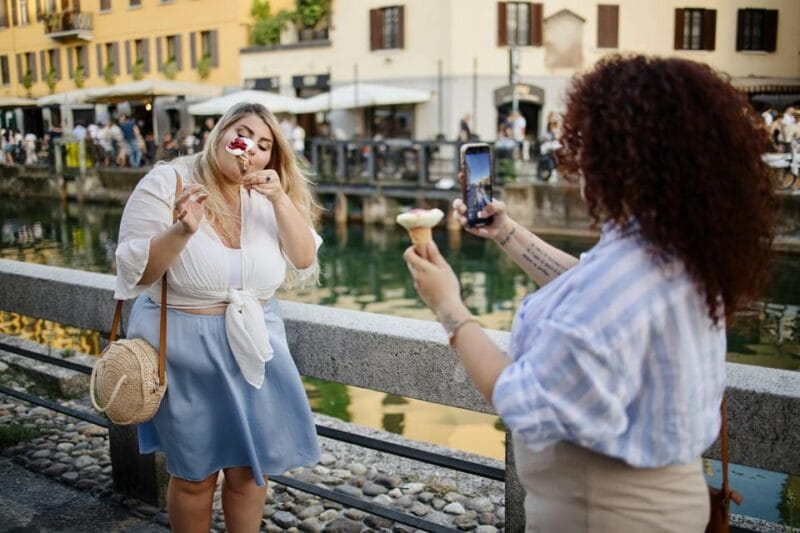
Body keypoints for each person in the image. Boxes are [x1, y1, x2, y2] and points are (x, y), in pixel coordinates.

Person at [403, 55, 774, 531]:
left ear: (615, 157)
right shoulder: (676, 249)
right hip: (669, 500)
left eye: (583, 145)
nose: (574, 163)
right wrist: (507, 233)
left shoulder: (633, 271)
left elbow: (521, 400)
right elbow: (588, 283)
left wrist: (449, 307)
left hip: (603, 513)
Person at [114, 102, 322, 531]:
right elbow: (137, 273)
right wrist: (182, 231)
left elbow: (303, 257)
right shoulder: (168, 180)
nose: (253, 148)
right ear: (223, 132)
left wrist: (281, 197)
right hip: (185, 353)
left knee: (250, 471)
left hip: (256, 352)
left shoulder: (267, 195)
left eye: (266, 145)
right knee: (194, 475)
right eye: (245, 132)